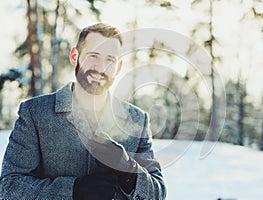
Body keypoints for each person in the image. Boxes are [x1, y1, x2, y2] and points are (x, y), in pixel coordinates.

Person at [0, 22, 166, 200]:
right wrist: (74, 190)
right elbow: (9, 187)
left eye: (110, 60)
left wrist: (129, 172)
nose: (100, 68)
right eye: (93, 56)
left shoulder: (137, 120)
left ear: (118, 67)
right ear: (74, 56)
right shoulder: (35, 113)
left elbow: (158, 193)